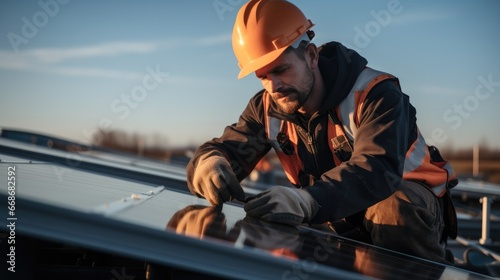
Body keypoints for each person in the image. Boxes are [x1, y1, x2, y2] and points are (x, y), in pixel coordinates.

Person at [186, 0, 458, 264]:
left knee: (394, 209)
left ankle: (427, 268)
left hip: (414, 210)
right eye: (262, 76)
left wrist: (306, 200)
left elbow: (376, 170)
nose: (274, 86)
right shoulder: (268, 107)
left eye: (281, 69)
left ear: (312, 56)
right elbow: (227, 148)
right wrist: (208, 164)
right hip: (338, 215)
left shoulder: (375, 94)